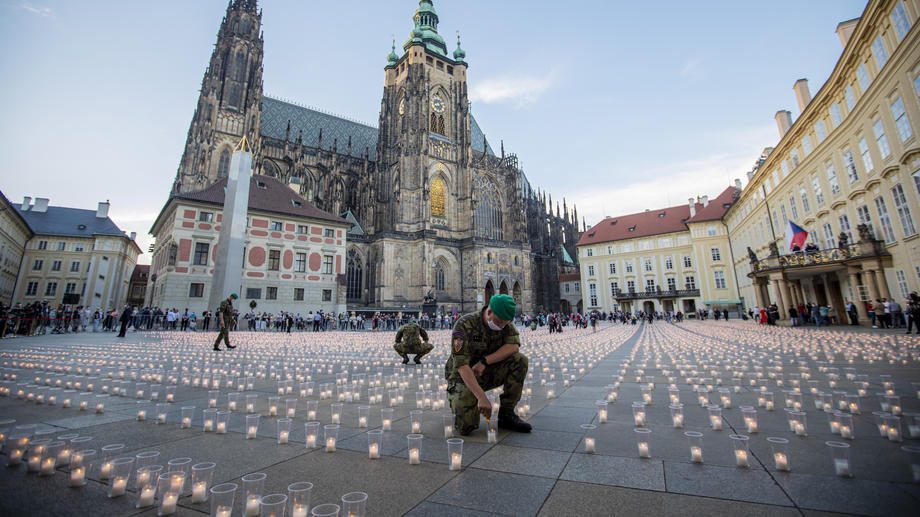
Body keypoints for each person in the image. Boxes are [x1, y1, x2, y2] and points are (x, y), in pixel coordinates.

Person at [445, 294, 531, 436]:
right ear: (489, 312)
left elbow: (513, 346)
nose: (501, 326)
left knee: (520, 360)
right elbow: (461, 366)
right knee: (466, 427)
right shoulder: (464, 324)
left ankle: (507, 414)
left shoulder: (505, 323)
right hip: (463, 376)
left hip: (486, 371)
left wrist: (485, 361)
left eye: (504, 323)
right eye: (499, 322)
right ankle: (457, 397)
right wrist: (481, 397)